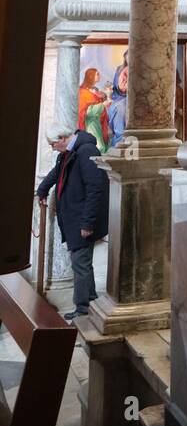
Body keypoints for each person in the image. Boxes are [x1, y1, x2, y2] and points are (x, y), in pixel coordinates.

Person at [37, 123, 109, 321]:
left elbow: (95, 188)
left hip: (81, 218)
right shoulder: (69, 152)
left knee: (80, 262)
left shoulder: (86, 151)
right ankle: (91, 298)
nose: (52, 148)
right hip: (74, 216)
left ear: (62, 138)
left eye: (53, 144)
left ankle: (83, 306)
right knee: (82, 262)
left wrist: (87, 223)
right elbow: (56, 173)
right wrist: (42, 190)